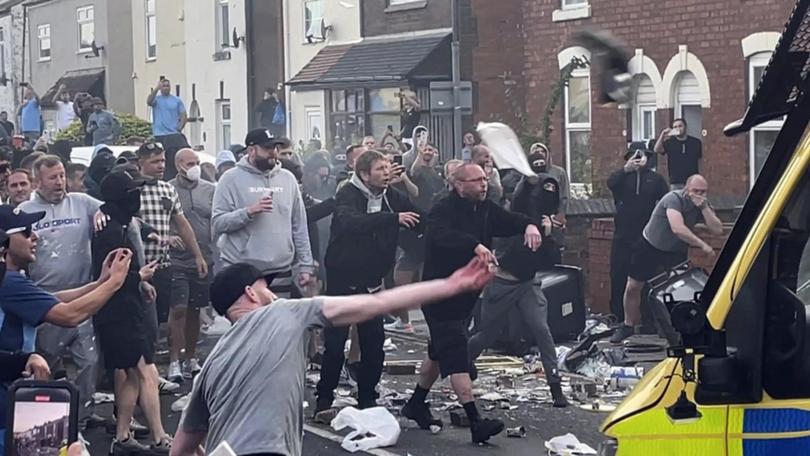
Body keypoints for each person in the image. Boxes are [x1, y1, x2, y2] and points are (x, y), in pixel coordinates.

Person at [171, 257, 494, 456]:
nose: (273, 293)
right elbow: (375, 304)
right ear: (251, 294)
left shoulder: (211, 365)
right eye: (265, 287)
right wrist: (451, 285)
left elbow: (181, 446)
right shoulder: (286, 312)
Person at [402, 164, 542, 443]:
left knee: (439, 352)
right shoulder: (443, 208)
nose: (484, 183)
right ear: (458, 184)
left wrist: (529, 224)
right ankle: (476, 421)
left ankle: (416, 403)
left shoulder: (486, 208)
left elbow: (509, 220)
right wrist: (473, 245)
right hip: (440, 294)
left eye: (485, 178)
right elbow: (440, 236)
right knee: (456, 357)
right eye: (476, 180)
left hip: (465, 295)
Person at [0, 205, 131, 454]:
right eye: (26, 232)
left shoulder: (12, 279)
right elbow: (70, 315)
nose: (35, 237)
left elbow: (53, 299)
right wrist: (114, 283)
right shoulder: (9, 281)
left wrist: (99, 283)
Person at [314, 149, 422, 417]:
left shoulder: (390, 196)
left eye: (388, 168)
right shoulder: (347, 193)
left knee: (373, 342)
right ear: (364, 174)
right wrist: (393, 219)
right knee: (336, 344)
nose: (386, 173)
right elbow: (353, 222)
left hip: (372, 280)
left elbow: (420, 216)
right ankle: (324, 398)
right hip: (343, 280)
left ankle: (367, 397)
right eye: (379, 169)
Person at [467, 171, 569, 408]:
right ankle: (463, 361)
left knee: (542, 330)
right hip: (502, 284)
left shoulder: (545, 223)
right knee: (486, 334)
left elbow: (548, 261)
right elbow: (521, 206)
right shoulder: (512, 218)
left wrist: (547, 233)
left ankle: (555, 386)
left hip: (527, 285)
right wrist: (528, 181)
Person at [20, 155, 107, 430]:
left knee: (89, 361)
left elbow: (112, 210)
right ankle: (44, 421)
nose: (59, 182)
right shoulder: (26, 210)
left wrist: (104, 215)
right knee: (45, 363)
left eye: (61, 176)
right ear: (37, 181)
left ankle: (80, 421)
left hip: (83, 296)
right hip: (45, 299)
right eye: (52, 177)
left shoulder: (81, 202)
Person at [92, 171, 173, 453]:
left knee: (128, 374)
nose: (137, 197)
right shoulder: (112, 231)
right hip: (120, 313)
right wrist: (140, 276)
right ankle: (161, 437)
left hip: (121, 309)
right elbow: (111, 277)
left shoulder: (119, 224)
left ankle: (123, 435)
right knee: (146, 371)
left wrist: (141, 284)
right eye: (132, 192)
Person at [611, 174, 723, 343]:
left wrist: (705, 208)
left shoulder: (702, 204)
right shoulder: (673, 198)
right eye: (695, 191)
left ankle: (680, 328)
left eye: (703, 192)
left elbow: (717, 229)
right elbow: (677, 228)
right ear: (686, 189)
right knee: (633, 287)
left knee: (679, 288)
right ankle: (628, 325)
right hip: (650, 245)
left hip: (674, 250)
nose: (699, 195)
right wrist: (702, 245)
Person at [212, 128, 314, 298]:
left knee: (278, 322)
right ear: (251, 150)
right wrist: (248, 212)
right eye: (267, 149)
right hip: (242, 269)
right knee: (248, 321)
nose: (273, 153)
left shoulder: (288, 179)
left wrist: (306, 265)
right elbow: (218, 223)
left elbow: (299, 226)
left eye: (275, 148)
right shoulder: (230, 179)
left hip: (281, 270)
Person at [137, 142, 208, 325]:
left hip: (164, 265)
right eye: (154, 162)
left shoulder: (168, 189)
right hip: (139, 264)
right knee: (143, 318)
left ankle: (172, 352)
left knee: (165, 315)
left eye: (162, 161)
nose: (160, 166)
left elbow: (183, 224)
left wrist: (198, 255)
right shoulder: (133, 189)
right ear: (141, 163)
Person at [167, 149, 215, 382]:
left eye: (197, 162)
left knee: (196, 309)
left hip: (204, 258)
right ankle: (174, 360)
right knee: (178, 309)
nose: (195, 166)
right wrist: (167, 235)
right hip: (176, 259)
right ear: (178, 166)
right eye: (189, 163)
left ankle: (191, 357)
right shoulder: (167, 189)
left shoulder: (210, 190)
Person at [607, 142, 669, 320]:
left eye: (642, 156)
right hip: (622, 235)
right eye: (635, 156)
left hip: (645, 236)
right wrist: (626, 169)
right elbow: (610, 183)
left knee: (644, 279)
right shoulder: (622, 177)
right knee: (618, 275)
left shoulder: (655, 179)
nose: (639, 160)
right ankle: (618, 316)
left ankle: (646, 318)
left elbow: (665, 201)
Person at [386, 143, 445, 332]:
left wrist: (403, 178)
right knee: (402, 279)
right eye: (386, 164)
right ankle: (405, 322)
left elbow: (416, 194)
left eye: (392, 162)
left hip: (418, 233)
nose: (390, 166)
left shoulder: (416, 176)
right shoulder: (382, 184)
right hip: (405, 235)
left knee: (413, 279)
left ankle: (420, 322)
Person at [146, 78, 189, 180]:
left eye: (167, 86)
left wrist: (179, 128)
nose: (166, 88)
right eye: (164, 86)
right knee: (161, 159)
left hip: (173, 135)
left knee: (174, 159)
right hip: (160, 135)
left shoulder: (176, 100)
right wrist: (156, 88)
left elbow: (183, 115)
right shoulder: (157, 99)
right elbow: (149, 101)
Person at [654, 118, 703, 190]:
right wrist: (663, 134)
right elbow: (656, 149)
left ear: (685, 127)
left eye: (680, 126)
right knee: (676, 200)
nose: (678, 128)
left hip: (692, 180)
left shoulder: (695, 142)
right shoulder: (670, 142)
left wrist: (700, 177)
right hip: (676, 181)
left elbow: (700, 161)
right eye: (675, 127)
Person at [529, 143, 570, 217]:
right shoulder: (529, 173)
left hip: (554, 214)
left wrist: (561, 213)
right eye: (537, 152)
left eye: (543, 151)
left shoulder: (559, 172)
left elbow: (564, 194)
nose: (541, 154)